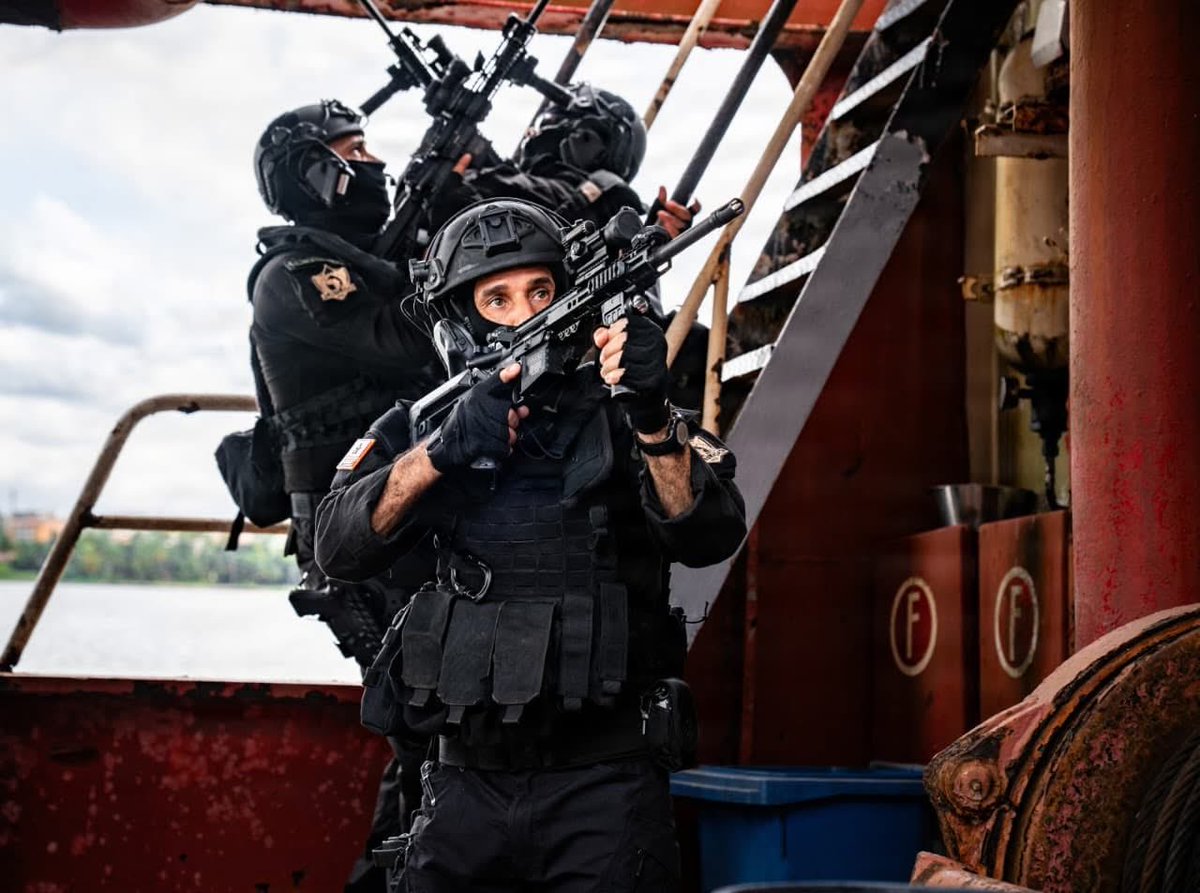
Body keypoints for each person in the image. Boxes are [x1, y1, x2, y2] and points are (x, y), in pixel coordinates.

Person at [313, 198, 747, 892]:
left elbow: (709, 534)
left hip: (605, 782)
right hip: (463, 784)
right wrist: (441, 455)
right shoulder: (428, 425)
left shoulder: (625, 411)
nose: (524, 313)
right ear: (460, 316)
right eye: (498, 298)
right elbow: (336, 546)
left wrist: (650, 416)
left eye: (541, 291)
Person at [248, 98, 445, 893]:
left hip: (402, 526)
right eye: (351, 149)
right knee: (430, 737)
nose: (370, 163)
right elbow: (411, 343)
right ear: (311, 172)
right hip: (356, 545)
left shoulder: (361, 261)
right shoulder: (295, 277)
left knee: (437, 737)